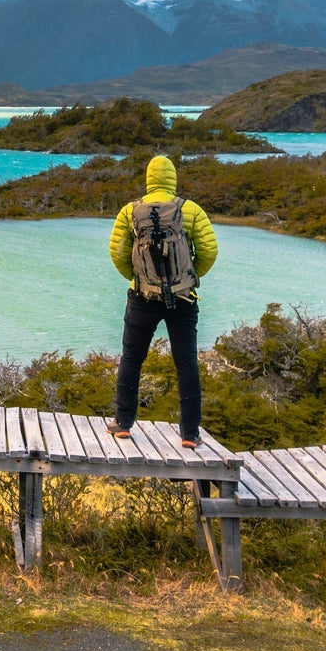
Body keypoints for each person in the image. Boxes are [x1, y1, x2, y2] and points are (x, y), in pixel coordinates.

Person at [106, 153, 219, 448]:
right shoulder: (190, 210)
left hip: (142, 296)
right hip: (183, 298)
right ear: (173, 179)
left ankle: (122, 423)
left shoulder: (130, 211)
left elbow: (117, 252)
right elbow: (209, 250)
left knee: (132, 357)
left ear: (148, 179)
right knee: (186, 362)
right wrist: (190, 276)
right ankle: (190, 433)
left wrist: (138, 278)